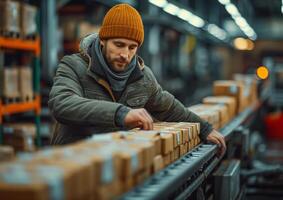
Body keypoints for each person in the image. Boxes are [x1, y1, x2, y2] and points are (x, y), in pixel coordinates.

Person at [49, 3, 226, 155]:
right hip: (74, 163)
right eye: (118, 45)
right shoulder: (73, 66)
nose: (125, 54)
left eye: (132, 47)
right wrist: (121, 113)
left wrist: (204, 128)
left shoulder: (142, 77)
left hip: (114, 163)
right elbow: (62, 104)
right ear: (103, 40)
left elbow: (169, 108)